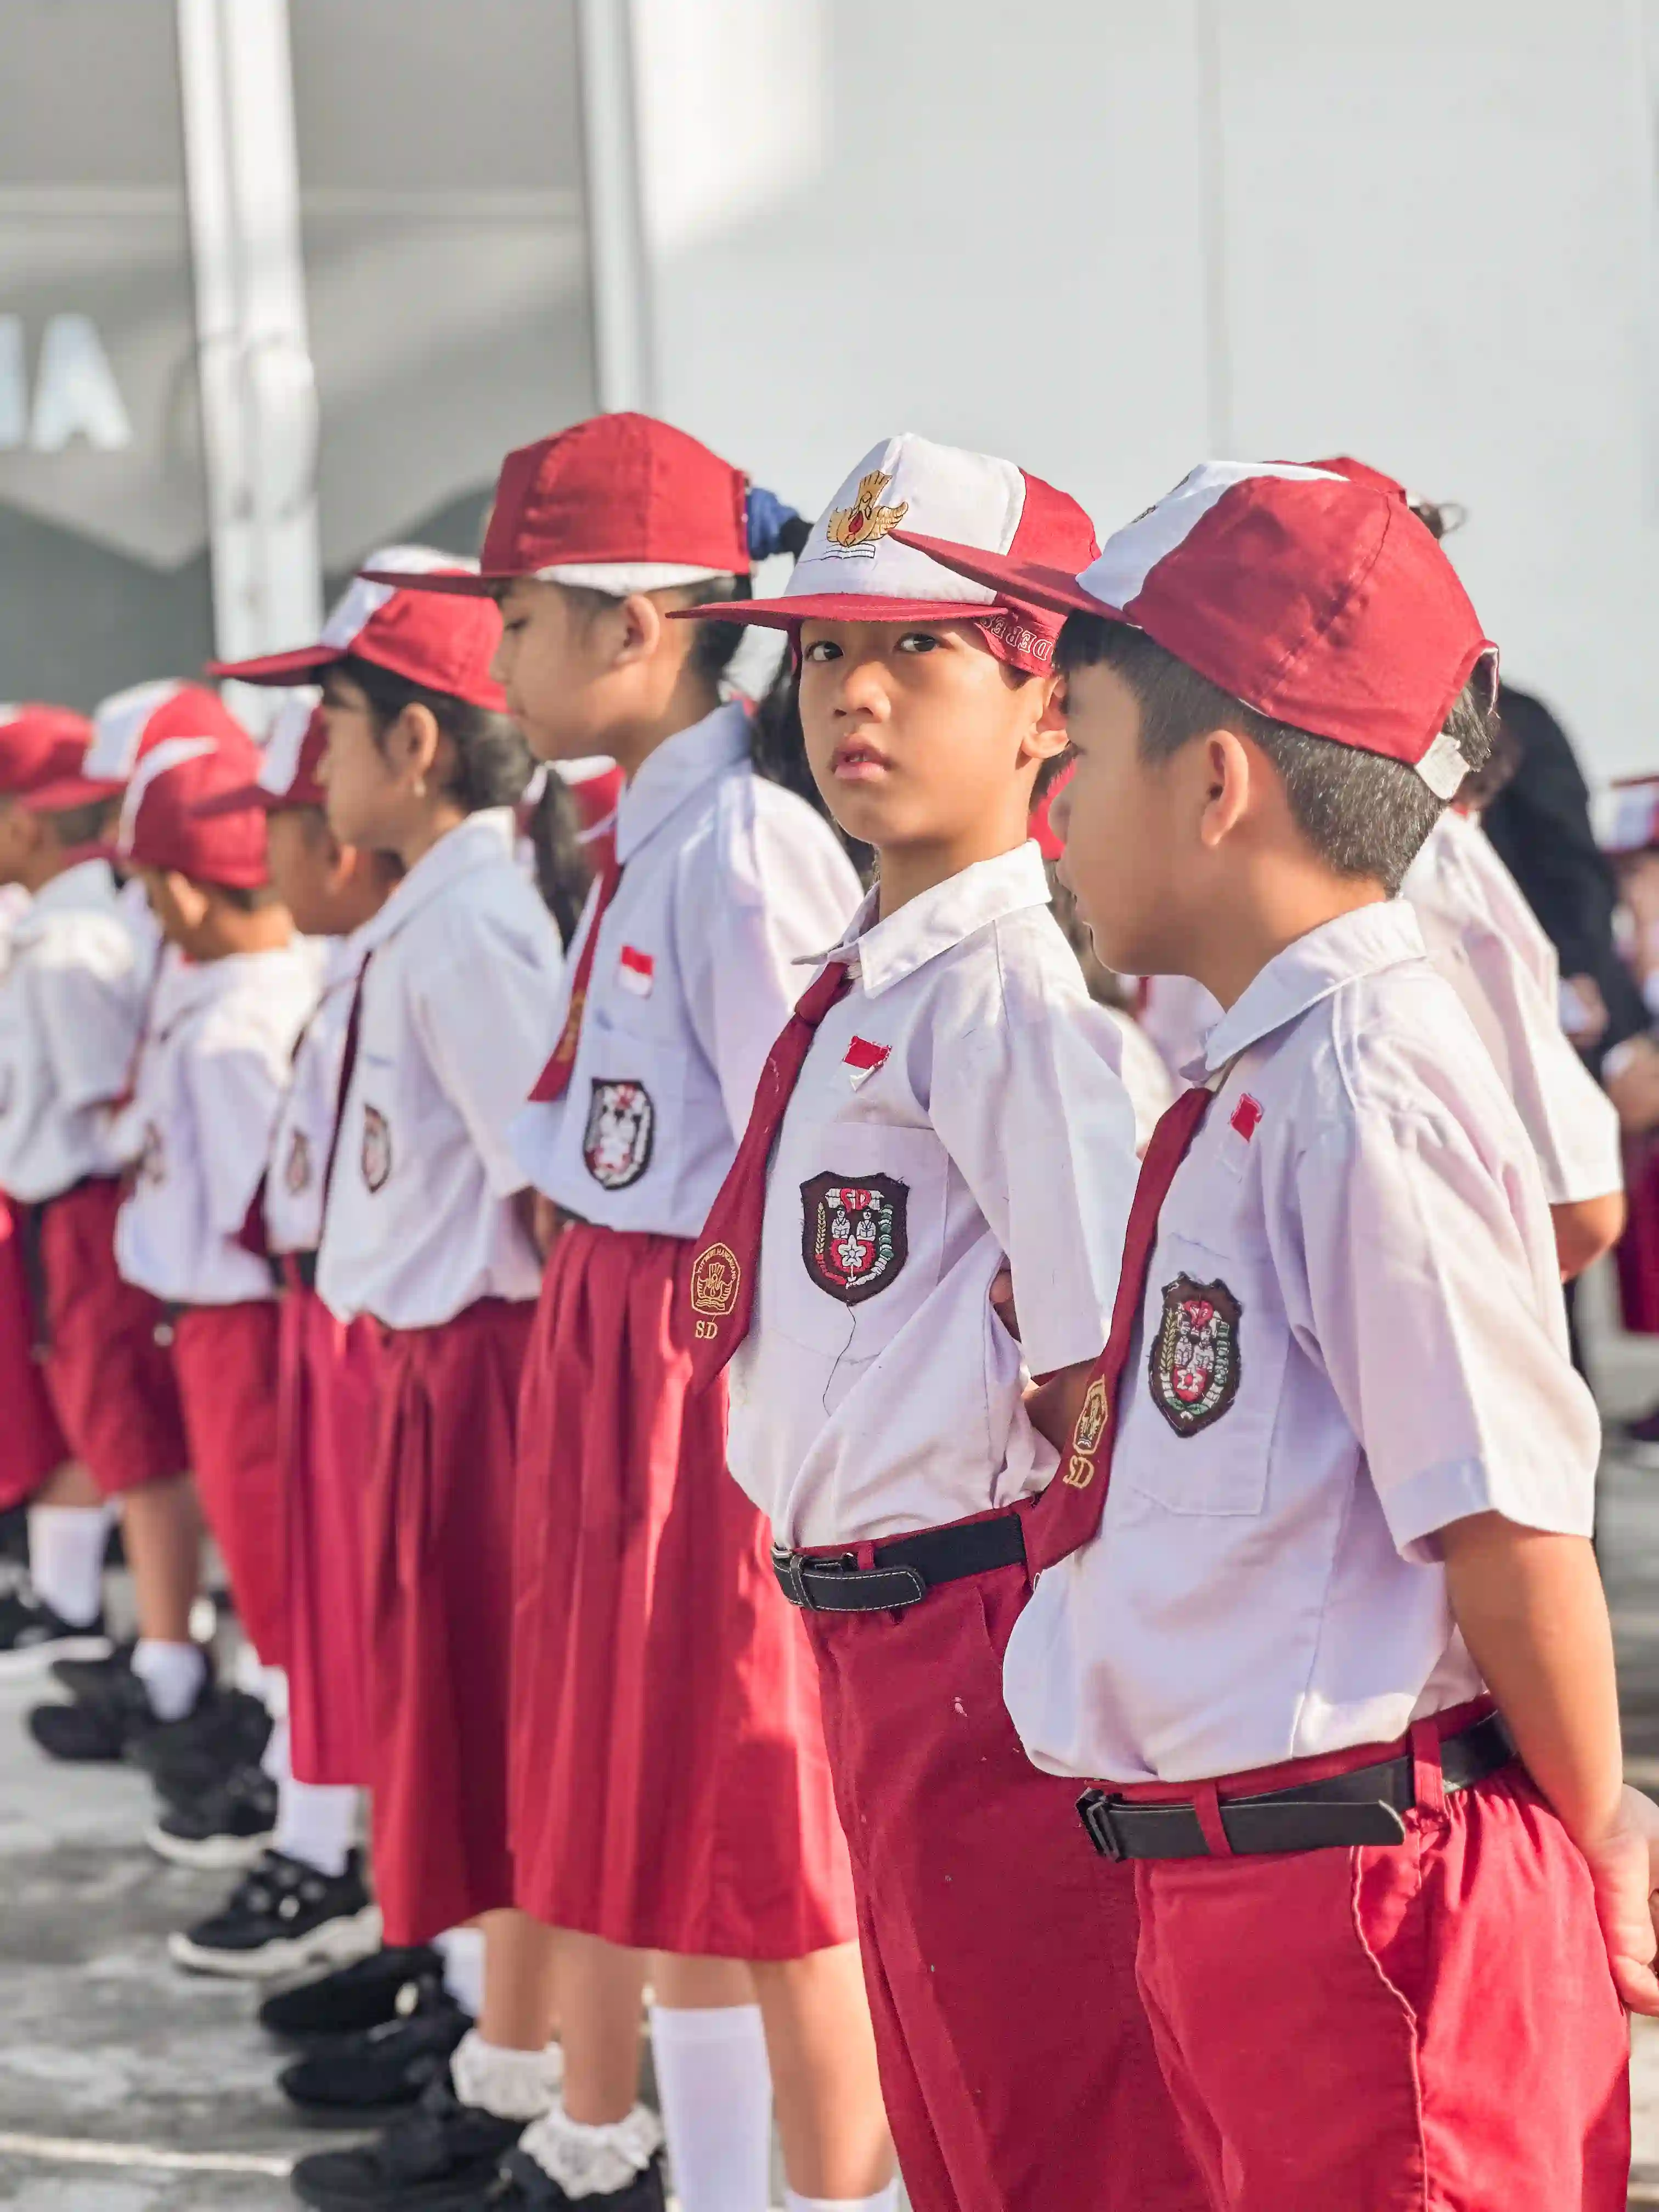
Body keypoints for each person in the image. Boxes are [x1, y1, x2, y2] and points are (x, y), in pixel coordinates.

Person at [911, 457, 1647, 2208]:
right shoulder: (1269, 1070)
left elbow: (1504, 1520)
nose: (1053, 808)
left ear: (1220, 783)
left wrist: (1600, 1815)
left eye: (1078, 750)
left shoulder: (1372, 1085)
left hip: (1375, 1912)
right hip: (1253, 1890)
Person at [375, 410, 891, 2212]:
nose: (501, 654)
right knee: (659, 1817)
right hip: (623, 1356)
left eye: (521, 614)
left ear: (636, 627)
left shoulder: (743, 853)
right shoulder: (643, 842)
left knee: (760, 1825)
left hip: (704, 1371)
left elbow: (818, 1165)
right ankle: (683, 2172)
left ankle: (829, 2192)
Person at [683, 432, 1203, 2212]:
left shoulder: (1008, 1006)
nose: (856, 695)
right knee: (946, 2105)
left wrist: (1051, 1662)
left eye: (921, 652)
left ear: (1045, 705)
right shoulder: (868, 969)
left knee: (1036, 2116)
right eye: (826, 651)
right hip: (869, 1634)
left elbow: (1096, 1387)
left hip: (976, 1633)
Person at [282, 568, 569, 2212]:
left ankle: (514, 2072)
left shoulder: (470, 927)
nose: (310, 761)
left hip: (483, 1374)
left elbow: (544, 1186)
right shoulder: (433, 909)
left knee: (503, 1739)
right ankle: (482, 2036)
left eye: (331, 724)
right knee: (452, 1731)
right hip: (425, 1367)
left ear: (412, 741)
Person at [0, 703, 188, 1672]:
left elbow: (109, 1109)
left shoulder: (70, 944)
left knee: (129, 1432)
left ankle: (166, 1659)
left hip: (90, 1210)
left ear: (26, 824)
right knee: (91, 1414)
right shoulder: (57, 928)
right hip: (63, 1208)